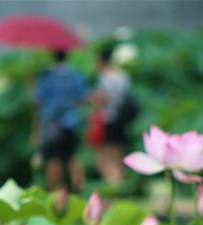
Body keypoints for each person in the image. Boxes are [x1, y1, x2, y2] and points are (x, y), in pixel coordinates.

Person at [34, 50, 88, 191]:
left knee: (53, 160)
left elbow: (38, 100)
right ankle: (80, 189)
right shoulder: (76, 76)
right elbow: (83, 98)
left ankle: (56, 193)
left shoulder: (46, 76)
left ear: (53, 56)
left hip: (51, 123)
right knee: (72, 157)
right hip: (71, 122)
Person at [92, 47, 134, 185]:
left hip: (108, 120)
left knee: (104, 159)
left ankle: (114, 184)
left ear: (102, 60)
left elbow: (103, 99)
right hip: (122, 120)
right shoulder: (123, 76)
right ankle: (121, 186)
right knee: (119, 157)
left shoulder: (104, 77)